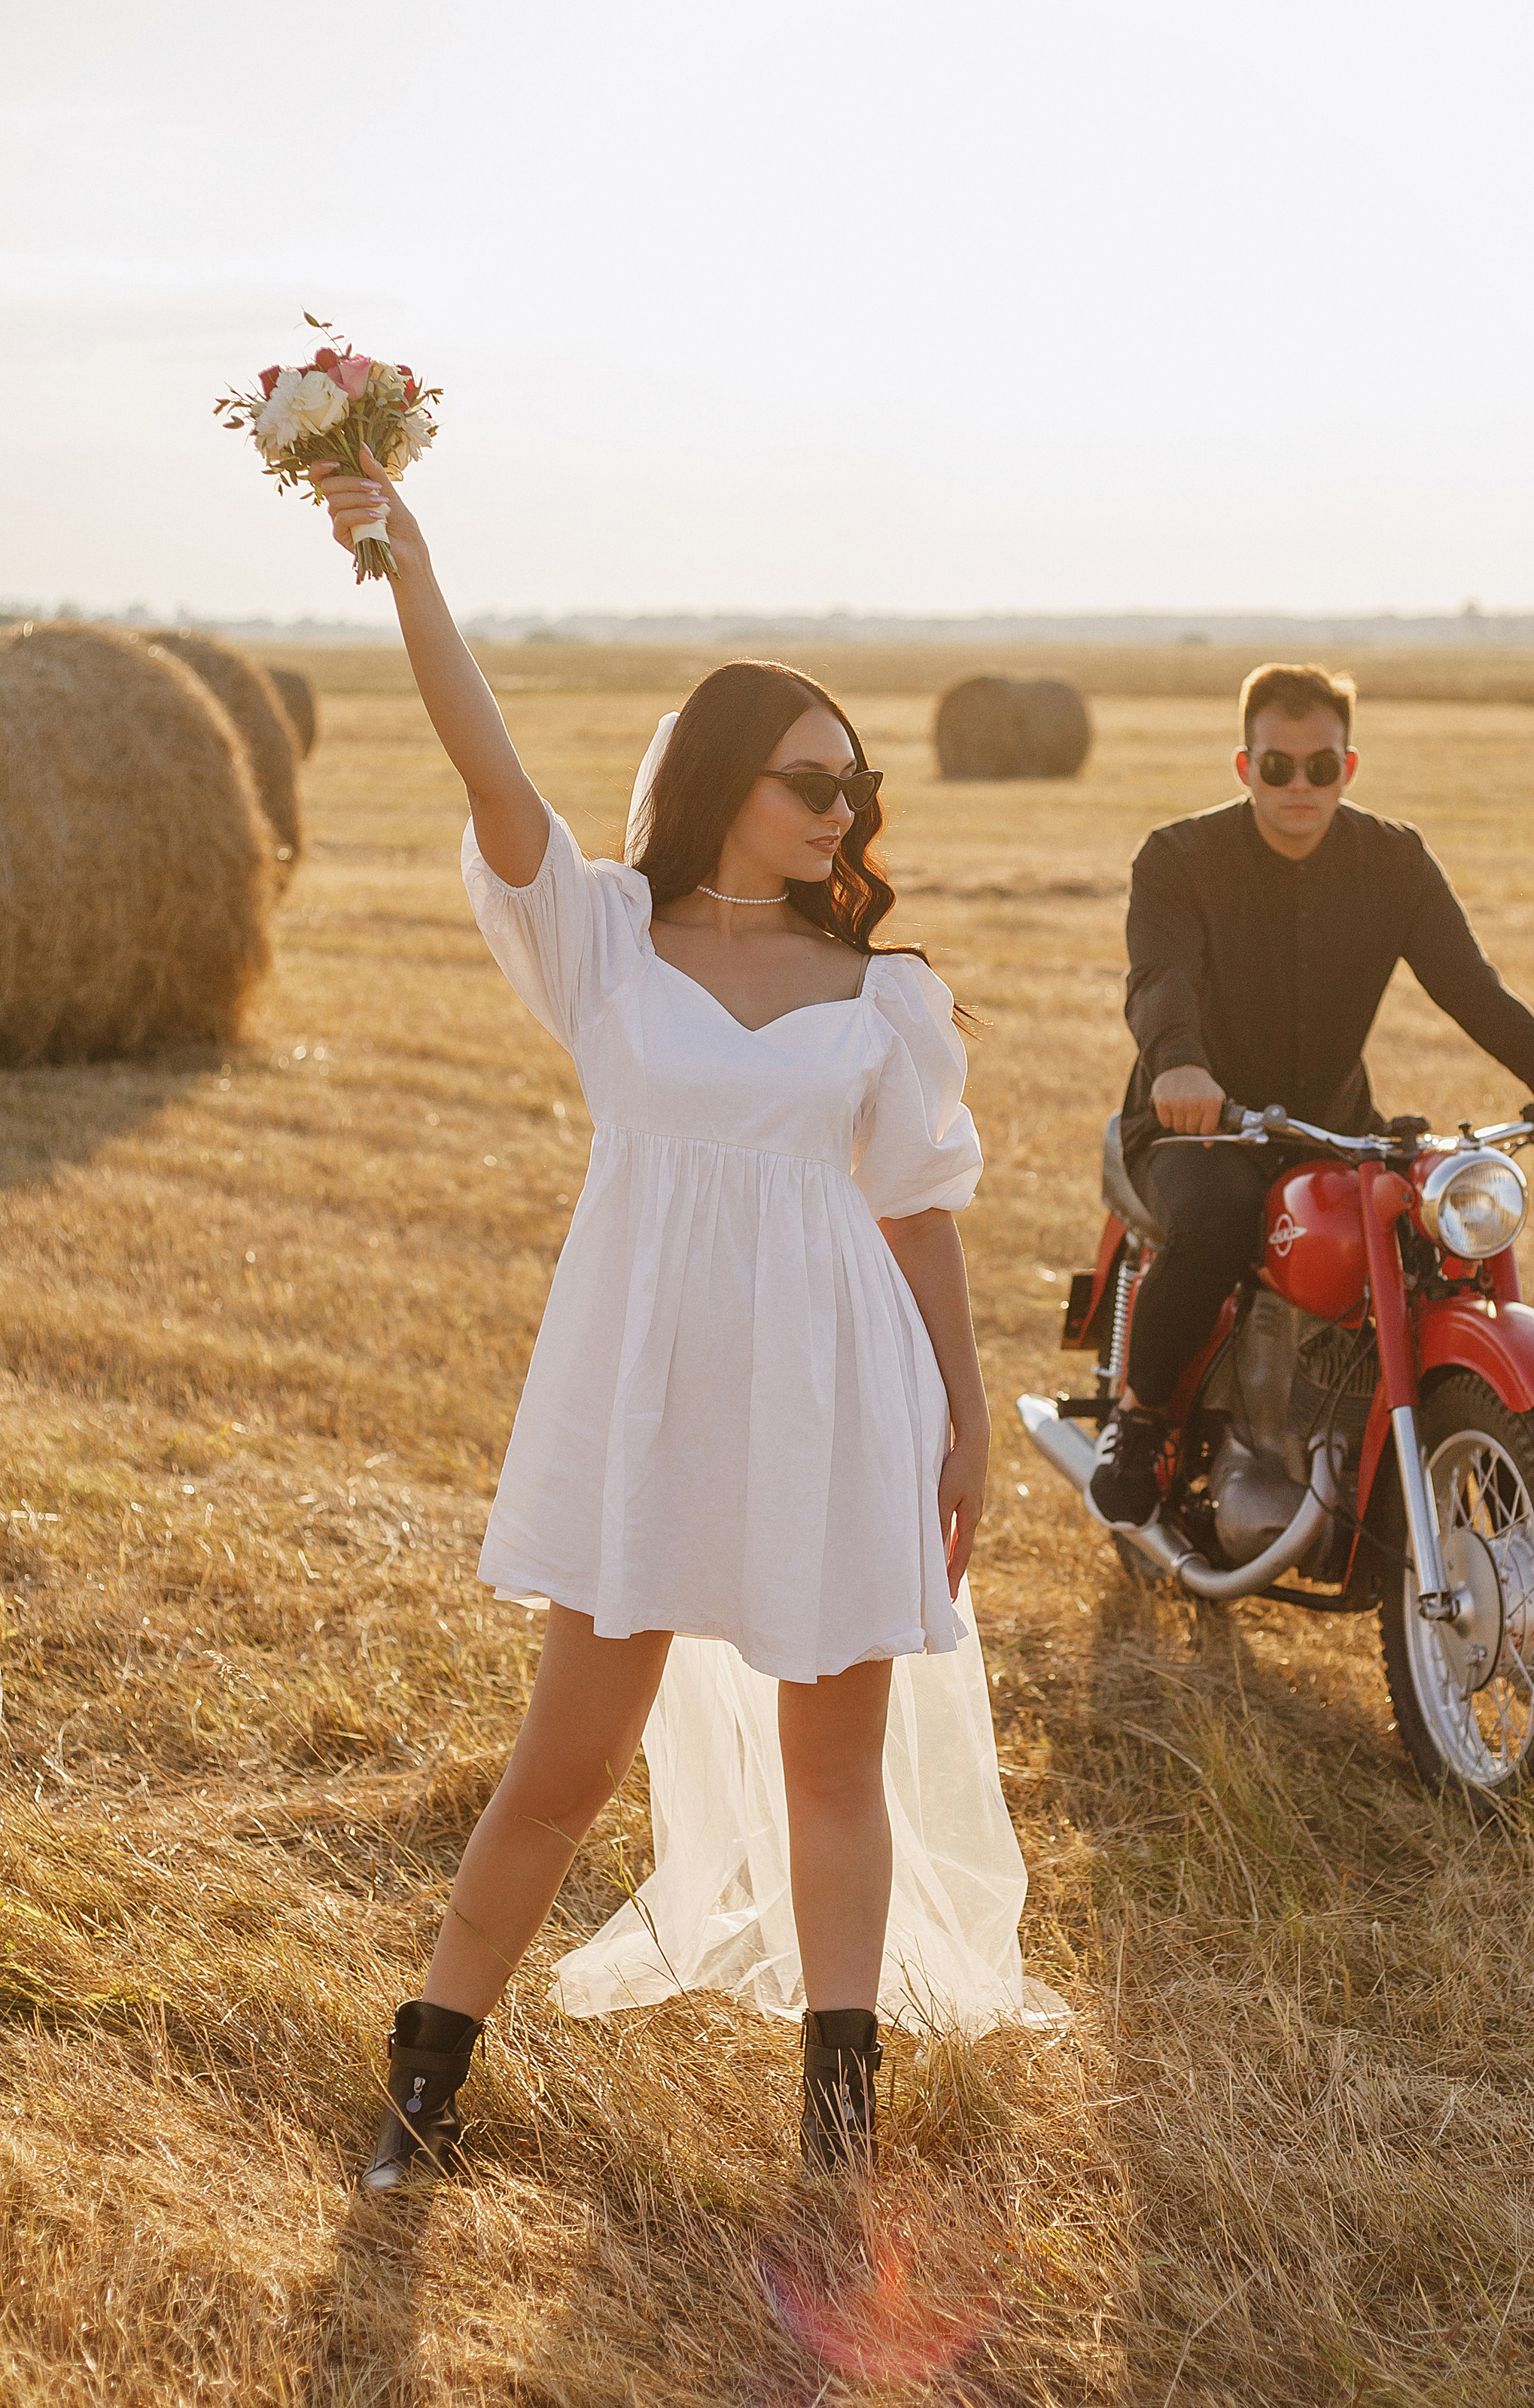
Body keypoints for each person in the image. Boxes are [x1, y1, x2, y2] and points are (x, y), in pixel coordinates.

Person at [307, 445, 1056, 2190]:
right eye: (811, 782)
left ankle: (835, 2132)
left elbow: (919, 1217)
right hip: (646, 1400)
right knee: (564, 1759)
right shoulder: (603, 944)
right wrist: (406, 559)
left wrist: (959, 1419)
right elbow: (485, 765)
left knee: (830, 1772)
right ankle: (426, 2083)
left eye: (854, 792)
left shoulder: (885, 994)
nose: (839, 816)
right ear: (725, 777)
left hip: (837, 1395)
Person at [1086, 661, 1534, 1531]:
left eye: (1319, 765)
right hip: (1200, 1129)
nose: (1300, 784)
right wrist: (1180, 1065)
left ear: (1347, 768)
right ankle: (1136, 1422)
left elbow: (1465, 981)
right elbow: (1158, 977)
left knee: (1431, 1247)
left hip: (1331, 1125)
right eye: (1277, 765)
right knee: (1213, 1223)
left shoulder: (1392, 860)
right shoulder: (1179, 857)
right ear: (1245, 766)